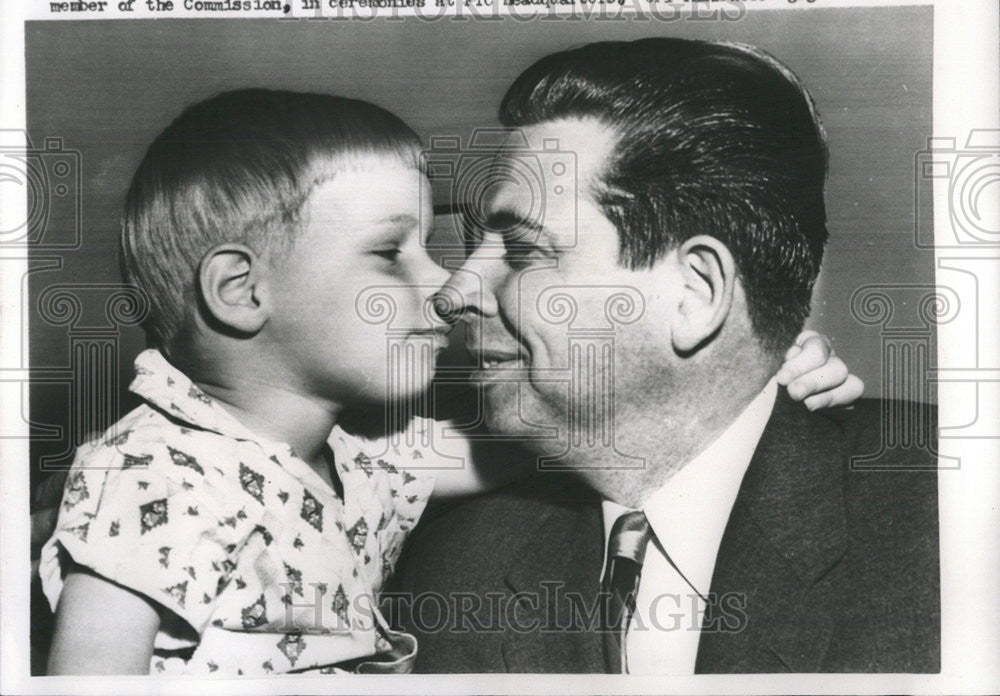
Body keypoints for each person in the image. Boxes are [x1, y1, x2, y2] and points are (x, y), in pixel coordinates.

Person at [36, 88, 857, 676]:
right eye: (392, 252)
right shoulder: (150, 475)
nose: (448, 285)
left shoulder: (369, 462)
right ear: (242, 293)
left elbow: (552, 430)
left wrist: (750, 362)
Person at [387, 38, 940, 673]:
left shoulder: (952, 520)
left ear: (695, 293)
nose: (456, 292)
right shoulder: (457, 571)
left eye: (523, 251)